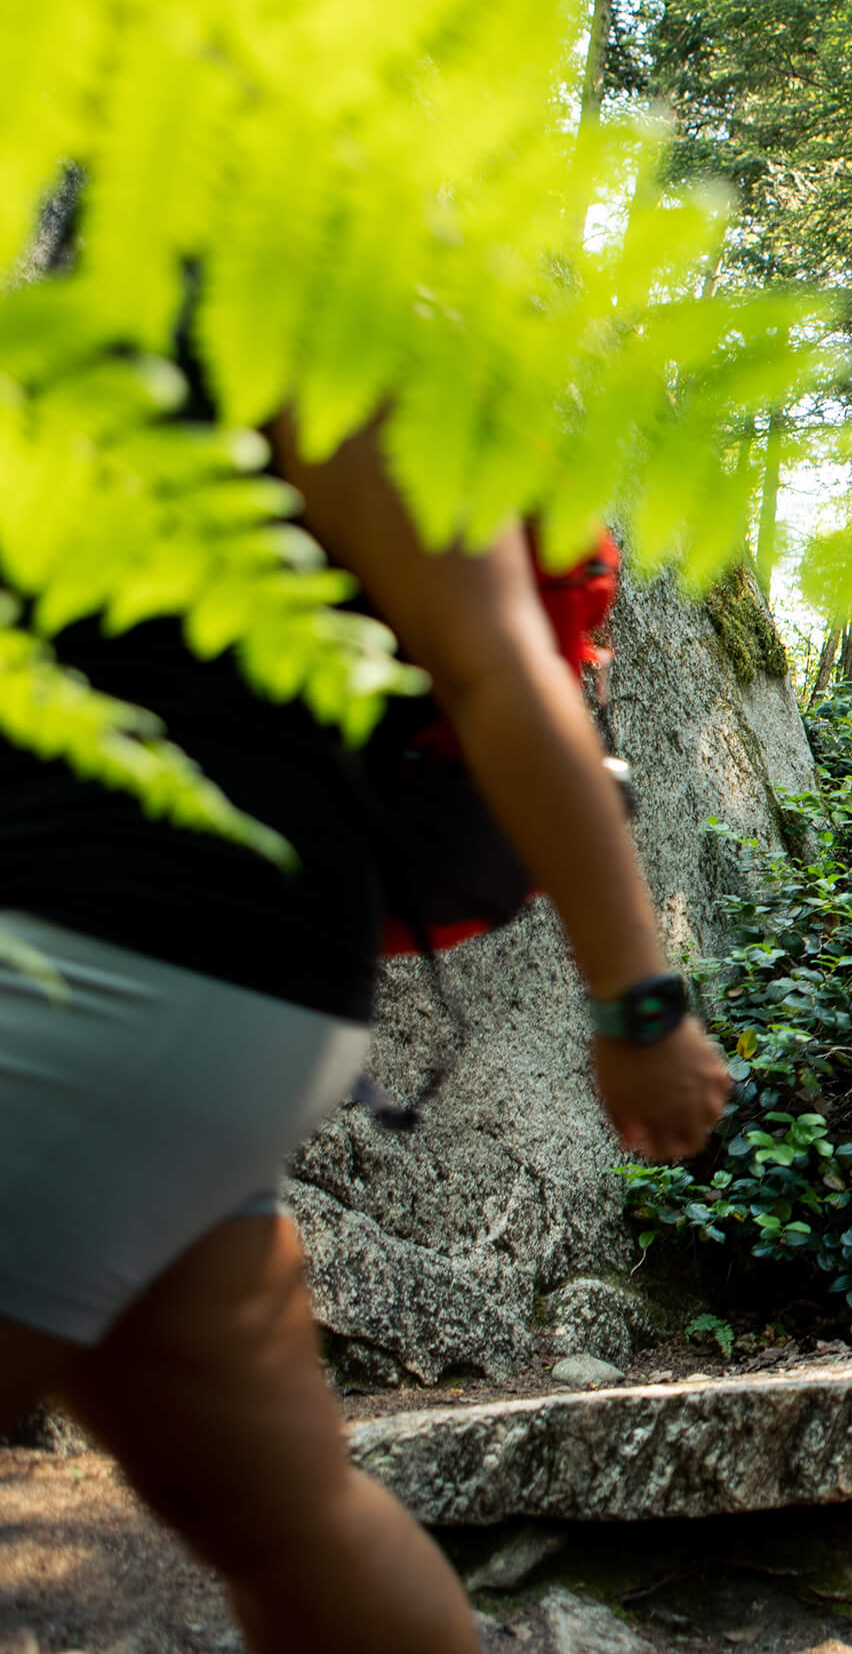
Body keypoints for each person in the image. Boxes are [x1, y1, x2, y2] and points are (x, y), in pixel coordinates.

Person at [0, 416, 730, 1654]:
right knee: (283, 1515)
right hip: (166, 980)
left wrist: (639, 1001)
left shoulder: (313, 316)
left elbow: (498, 661)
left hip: (132, 954)